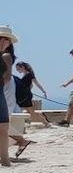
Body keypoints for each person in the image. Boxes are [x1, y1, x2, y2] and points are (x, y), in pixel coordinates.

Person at [1, 28, 35, 161]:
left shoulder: (5, 56)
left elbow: (7, 76)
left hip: (5, 89)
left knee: (3, 122)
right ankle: (20, 141)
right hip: (5, 88)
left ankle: (19, 142)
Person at [13, 63, 50, 127]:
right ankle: (45, 122)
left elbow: (36, 83)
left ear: (23, 67)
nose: (17, 70)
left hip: (26, 97)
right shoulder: (25, 75)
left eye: (18, 68)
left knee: (31, 112)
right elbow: (30, 85)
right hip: (24, 95)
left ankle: (46, 123)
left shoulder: (29, 74)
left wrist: (43, 91)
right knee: (26, 111)